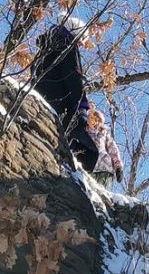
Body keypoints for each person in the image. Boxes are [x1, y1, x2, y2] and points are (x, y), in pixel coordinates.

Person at [31, 19, 100, 171]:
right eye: (81, 40)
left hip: (40, 99)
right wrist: (81, 106)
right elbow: (72, 75)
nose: (81, 44)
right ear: (76, 34)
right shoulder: (67, 45)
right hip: (61, 104)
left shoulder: (44, 48)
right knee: (89, 151)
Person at [87, 109, 124, 187]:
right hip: (89, 167)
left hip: (105, 168)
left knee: (102, 193)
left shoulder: (104, 134)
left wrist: (118, 167)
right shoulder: (85, 132)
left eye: (100, 121)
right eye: (94, 119)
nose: (97, 122)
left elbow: (113, 150)